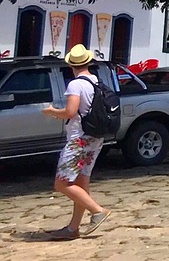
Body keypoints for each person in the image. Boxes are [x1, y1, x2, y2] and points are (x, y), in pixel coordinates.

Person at [41, 44, 110, 240]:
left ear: (71, 65)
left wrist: (52, 112)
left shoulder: (75, 84)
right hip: (94, 138)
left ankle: (97, 211)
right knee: (81, 182)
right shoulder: (96, 81)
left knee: (61, 183)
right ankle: (73, 228)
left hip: (78, 139)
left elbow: (70, 112)